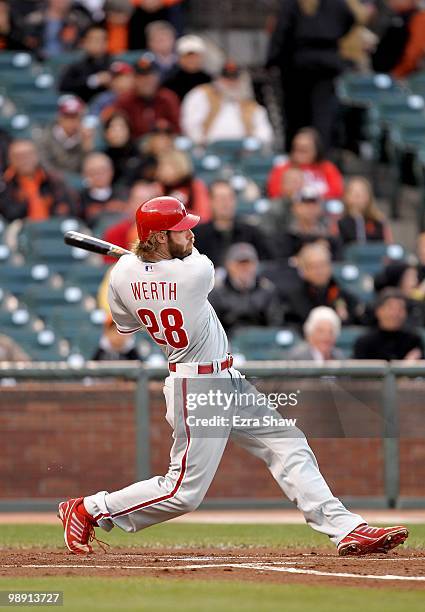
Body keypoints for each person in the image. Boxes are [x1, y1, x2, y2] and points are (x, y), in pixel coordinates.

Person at [58, 195, 408, 557]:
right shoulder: (196, 272)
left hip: (224, 377)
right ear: (160, 238)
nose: (191, 233)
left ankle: (346, 528)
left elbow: (127, 324)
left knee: (287, 441)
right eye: (180, 230)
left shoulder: (121, 274)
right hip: (197, 385)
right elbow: (181, 269)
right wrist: (153, 273)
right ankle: (87, 509)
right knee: (182, 493)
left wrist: (140, 273)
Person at [266, 0, 367, 150]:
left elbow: (281, 31)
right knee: (322, 115)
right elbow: (350, 19)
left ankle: (303, 155)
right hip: (323, 62)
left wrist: (271, 60)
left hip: (299, 64)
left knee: (299, 116)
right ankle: (319, 154)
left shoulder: (294, 4)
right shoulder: (336, 3)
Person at [181, 61, 274, 146]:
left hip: (243, 151)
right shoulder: (202, 94)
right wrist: (200, 141)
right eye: (227, 78)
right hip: (209, 148)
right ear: (219, 79)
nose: (231, 83)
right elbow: (190, 124)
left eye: (234, 78)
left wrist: (253, 144)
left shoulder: (249, 105)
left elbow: (265, 134)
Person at [193, 180, 274, 267]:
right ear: (210, 201)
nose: (225, 203)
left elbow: (267, 262)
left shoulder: (251, 233)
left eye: (230, 198)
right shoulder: (197, 236)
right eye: (220, 198)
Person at [209, 243, 283, 334]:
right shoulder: (217, 293)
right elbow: (213, 328)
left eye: (249, 264)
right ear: (229, 266)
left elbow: (276, 323)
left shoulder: (267, 291)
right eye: (239, 264)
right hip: (228, 343)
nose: (244, 269)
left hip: (261, 342)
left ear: (256, 265)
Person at [285, 242, 364, 325]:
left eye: (323, 265)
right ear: (303, 270)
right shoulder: (293, 299)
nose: (320, 271)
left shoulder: (343, 294)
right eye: (313, 266)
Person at [0, 139, 76, 222]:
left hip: (53, 229)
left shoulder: (53, 180)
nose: (24, 160)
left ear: (36, 156)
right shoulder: (5, 184)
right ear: (10, 159)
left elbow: (68, 208)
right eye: (18, 156)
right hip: (18, 229)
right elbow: (8, 214)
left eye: (28, 155)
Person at [114, 52, 180, 139]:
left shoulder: (168, 98)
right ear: (134, 79)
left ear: (157, 78)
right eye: (141, 77)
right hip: (134, 148)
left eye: (149, 76)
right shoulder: (124, 100)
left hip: (166, 146)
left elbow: (177, 130)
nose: (146, 81)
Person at [267, 128, 344, 200]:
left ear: (316, 150)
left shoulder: (327, 167)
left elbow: (337, 192)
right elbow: (275, 193)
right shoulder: (282, 168)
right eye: (297, 147)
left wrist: (311, 198)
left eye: (304, 149)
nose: (299, 152)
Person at [102, 180, 162, 264]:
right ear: (130, 203)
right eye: (137, 200)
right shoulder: (115, 232)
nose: (143, 206)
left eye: (148, 201)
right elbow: (111, 266)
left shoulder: (167, 232)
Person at [353, 288, 424, 360]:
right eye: (391, 308)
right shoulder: (365, 342)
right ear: (378, 311)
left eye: (400, 309)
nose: (395, 314)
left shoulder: (414, 340)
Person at [277, 185, 342, 261]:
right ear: (294, 208)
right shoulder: (285, 236)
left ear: (320, 208)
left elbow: (338, 262)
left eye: (314, 204)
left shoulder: (329, 236)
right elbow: (281, 263)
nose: (310, 209)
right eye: (305, 204)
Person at [36, 95, 95, 174]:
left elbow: (89, 167)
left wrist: (87, 149)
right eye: (67, 117)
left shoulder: (86, 137)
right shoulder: (45, 137)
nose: (71, 122)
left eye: (75, 117)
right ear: (60, 117)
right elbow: (44, 164)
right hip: (54, 181)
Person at [18, 0, 92, 59]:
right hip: (40, 60)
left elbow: (84, 41)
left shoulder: (78, 20)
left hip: (68, 60)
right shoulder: (34, 20)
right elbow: (26, 43)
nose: (62, 2)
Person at [59, 24, 112, 103]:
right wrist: (93, 81)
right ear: (85, 42)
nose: (99, 43)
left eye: (103, 39)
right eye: (95, 39)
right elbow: (63, 86)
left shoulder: (114, 64)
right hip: (84, 106)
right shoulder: (77, 67)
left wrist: (113, 82)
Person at [372, 0, 425, 78]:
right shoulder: (400, 15)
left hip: (402, 77)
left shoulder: (419, 18)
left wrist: (397, 74)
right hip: (388, 74)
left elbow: (413, 53)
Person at [155, 150, 211, 222]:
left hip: (192, 230)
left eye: (164, 166)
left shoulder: (194, 186)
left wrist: (178, 215)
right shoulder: (158, 188)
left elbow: (204, 215)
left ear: (177, 166)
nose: (160, 170)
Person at [338, 177, 392, 246]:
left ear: (368, 196)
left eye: (362, 192)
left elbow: (388, 247)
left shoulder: (379, 222)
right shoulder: (339, 222)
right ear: (345, 196)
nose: (357, 195)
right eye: (353, 192)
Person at [102, 113, 152, 186]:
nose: (117, 132)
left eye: (121, 127)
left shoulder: (140, 153)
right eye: (113, 127)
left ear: (128, 130)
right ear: (106, 133)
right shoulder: (102, 158)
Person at [78, 152, 126, 226]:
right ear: (85, 174)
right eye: (93, 172)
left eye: (103, 170)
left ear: (111, 171)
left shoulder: (124, 194)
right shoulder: (79, 198)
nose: (99, 175)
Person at [163, 34, 211, 101]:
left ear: (202, 57)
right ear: (179, 58)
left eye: (195, 56)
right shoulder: (170, 83)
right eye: (187, 56)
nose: (191, 60)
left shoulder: (210, 81)